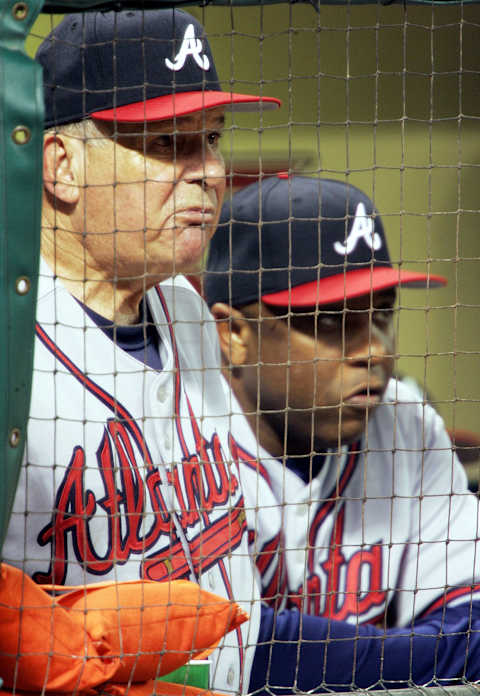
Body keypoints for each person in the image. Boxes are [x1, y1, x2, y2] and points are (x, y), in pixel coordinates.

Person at [2, 9, 281, 694]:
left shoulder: (183, 307)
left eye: (212, 139)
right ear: (61, 167)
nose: (211, 171)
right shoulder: (10, 346)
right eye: (167, 143)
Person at [204, 174, 480, 692]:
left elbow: (476, 636)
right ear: (234, 334)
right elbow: (203, 659)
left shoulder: (408, 424)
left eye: (380, 316)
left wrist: (283, 651)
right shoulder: (173, 438)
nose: (373, 349)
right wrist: (412, 656)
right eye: (330, 321)